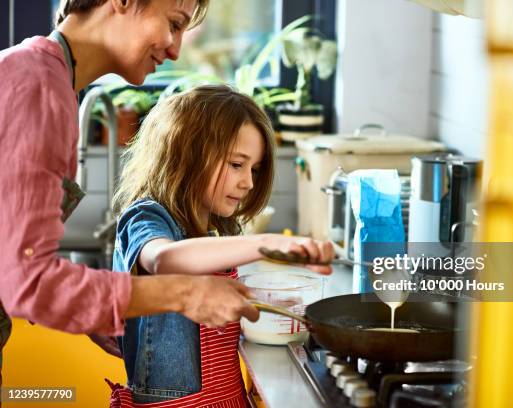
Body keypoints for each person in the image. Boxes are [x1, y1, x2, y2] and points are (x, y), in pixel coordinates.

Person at [0, 0, 330, 384]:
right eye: (174, 24)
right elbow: (28, 280)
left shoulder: (48, 81)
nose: (176, 50)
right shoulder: (37, 87)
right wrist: (186, 294)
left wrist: (91, 309)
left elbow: (11, 259)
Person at [106, 84, 333, 406]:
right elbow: (165, 261)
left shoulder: (209, 228)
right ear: (186, 155)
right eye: (237, 164)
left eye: (254, 169)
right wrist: (268, 242)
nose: (249, 182)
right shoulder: (146, 217)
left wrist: (265, 303)